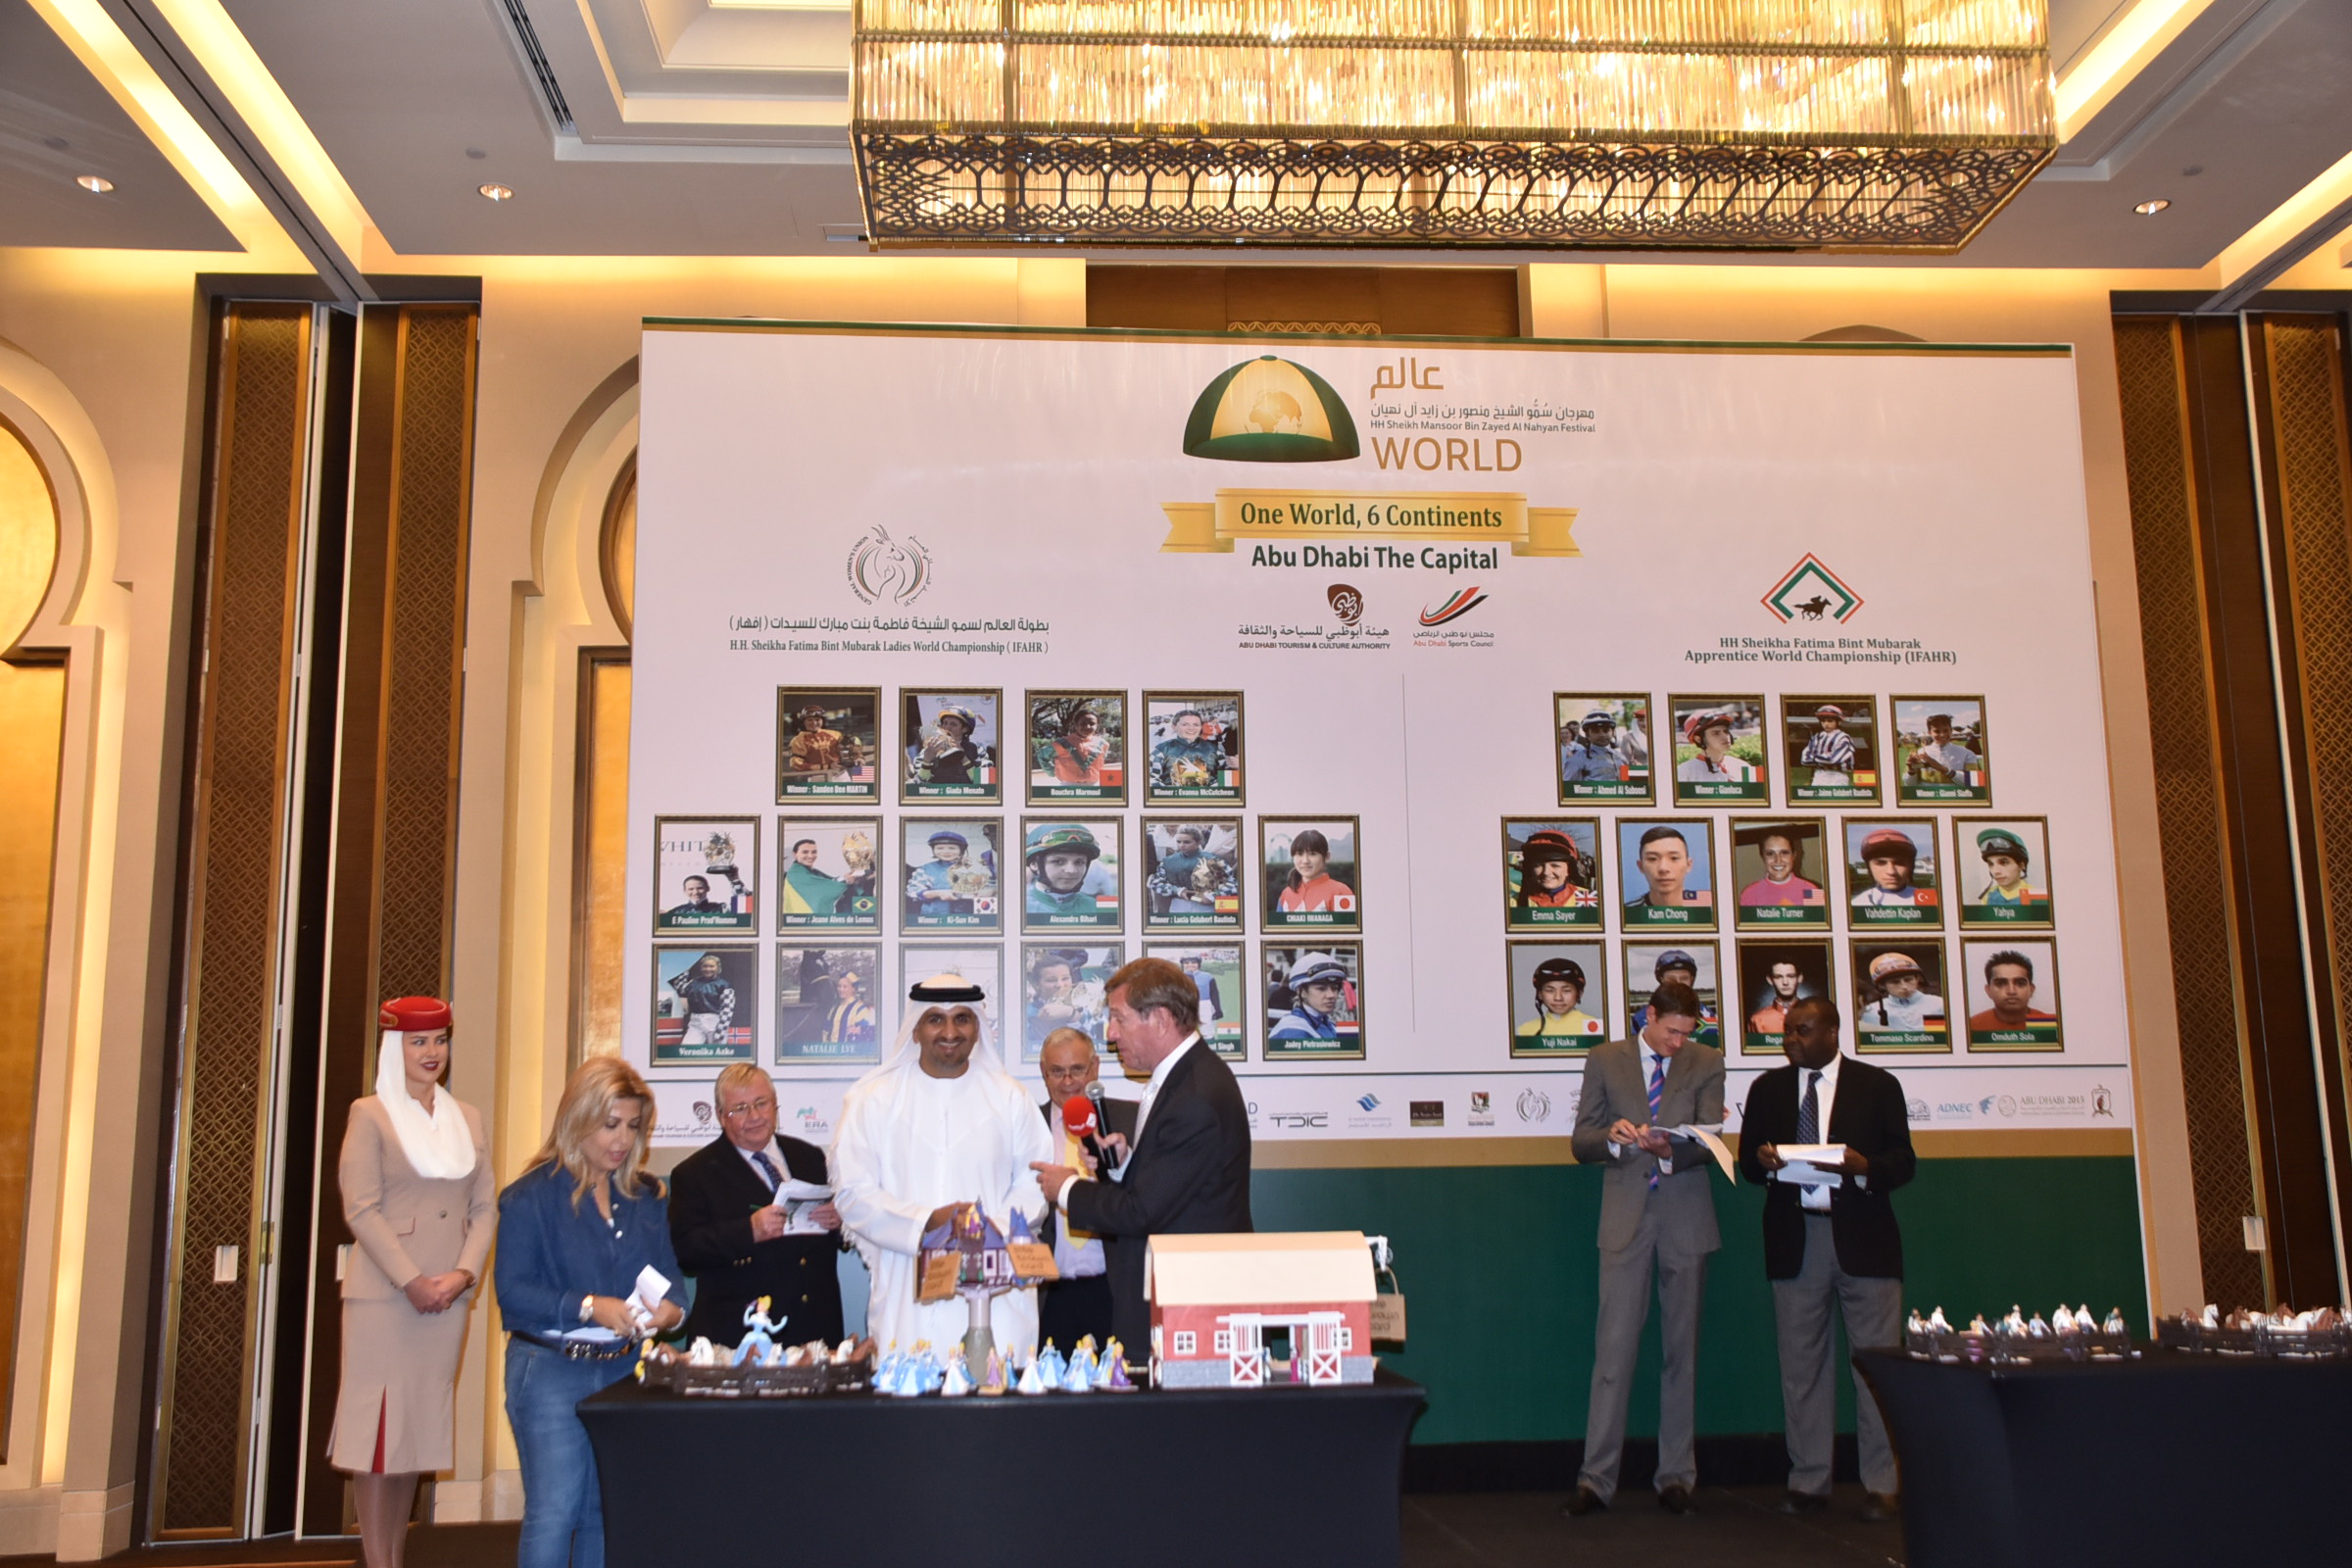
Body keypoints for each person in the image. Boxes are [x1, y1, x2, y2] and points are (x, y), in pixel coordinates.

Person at [496, 1056, 686, 1568]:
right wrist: (588, 1307)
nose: (622, 1139)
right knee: (554, 1513)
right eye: (610, 1125)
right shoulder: (529, 1197)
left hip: (624, 1370)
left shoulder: (646, 1196)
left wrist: (670, 1313)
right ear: (577, 1119)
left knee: (604, 1512)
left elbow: (671, 1280)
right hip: (550, 1370)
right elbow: (512, 1294)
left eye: (632, 1126)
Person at [331, 998, 496, 1568]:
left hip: (447, 1297)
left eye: (440, 1040)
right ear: (392, 1047)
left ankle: (394, 1558)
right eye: (418, 1042)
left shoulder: (466, 1117)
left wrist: (463, 1273)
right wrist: (412, 1280)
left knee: (413, 1441)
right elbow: (361, 1209)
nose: (432, 1052)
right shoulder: (370, 1114)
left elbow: (485, 1208)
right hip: (387, 1299)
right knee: (381, 1441)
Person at [1737, 997, 1915, 1521]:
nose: (1790, 1039)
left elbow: (1903, 1162)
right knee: (1801, 1369)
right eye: (1787, 1031)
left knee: (1877, 1368)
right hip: (1796, 1241)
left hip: (1866, 1241)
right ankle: (1808, 1481)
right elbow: (1748, 1163)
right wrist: (1764, 1161)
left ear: (1833, 1032)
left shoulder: (1877, 1085)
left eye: (1802, 1030)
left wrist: (1863, 1167)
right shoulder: (1767, 1089)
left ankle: (1882, 1485)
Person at [1030, 956, 1254, 1356]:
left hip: (1194, 1305)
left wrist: (1066, 1188)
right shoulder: (1185, 1080)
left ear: (1161, 1019)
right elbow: (1170, 1188)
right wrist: (1125, 1165)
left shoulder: (1194, 1095)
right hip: (1179, 1296)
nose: (1111, 1033)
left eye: (1119, 1018)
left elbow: (1141, 1212)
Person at [1564, 983, 1725, 1517]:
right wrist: (1612, 1138)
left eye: (1688, 1033)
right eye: (1672, 1031)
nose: (1680, 1042)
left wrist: (1670, 1147)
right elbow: (1581, 1141)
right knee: (1612, 1352)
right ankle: (1596, 1479)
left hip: (1686, 1218)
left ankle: (1677, 1476)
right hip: (1624, 1220)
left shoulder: (1707, 1061)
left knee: (1682, 1354)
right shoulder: (1605, 1059)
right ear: (1649, 1016)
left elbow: (1711, 1143)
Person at [830, 973, 1054, 1354]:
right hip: (907, 1288)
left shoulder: (1011, 1098)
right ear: (915, 1029)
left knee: (995, 1384)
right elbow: (854, 1193)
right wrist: (927, 1221)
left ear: (977, 1028)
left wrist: (984, 1232)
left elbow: (1034, 1181)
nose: (950, 1032)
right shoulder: (873, 1100)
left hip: (997, 1290)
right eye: (935, 1019)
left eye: (962, 1019)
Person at [667, 1063, 846, 1349]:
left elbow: (837, 1238)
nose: (754, 1116)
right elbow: (685, 1252)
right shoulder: (694, 1174)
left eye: (761, 1103)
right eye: (740, 1108)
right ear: (721, 1116)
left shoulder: (810, 1157)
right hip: (738, 1341)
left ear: (775, 1105)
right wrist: (748, 1231)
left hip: (815, 1333)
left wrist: (839, 1222)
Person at [1033, 1028, 1138, 1349]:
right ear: (1044, 1073)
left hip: (1115, 1290)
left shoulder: (1131, 1120)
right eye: (1057, 1071)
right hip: (1049, 1294)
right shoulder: (1027, 1124)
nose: (1068, 1082)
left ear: (1095, 1068)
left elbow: (1146, 1198)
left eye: (1077, 1069)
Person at [1025, 822, 1116, 917]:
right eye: (1059, 861)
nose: (1071, 870)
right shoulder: (1017, 907)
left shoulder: (1102, 910)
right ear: (1035, 865)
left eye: (1079, 862)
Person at [1148, 824, 1235, 916]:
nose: (1182, 845)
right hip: (1179, 904)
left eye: (1187, 842)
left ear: (1198, 842)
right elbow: (1156, 882)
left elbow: (1231, 884)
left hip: (1206, 906)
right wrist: (1177, 890)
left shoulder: (1212, 859)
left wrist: (1212, 896)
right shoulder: (1168, 861)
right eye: (1178, 842)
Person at [1023, 951, 1102, 1053]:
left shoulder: (1085, 1009)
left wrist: (1071, 1014)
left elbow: (1095, 1046)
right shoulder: (1026, 1013)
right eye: (1051, 980)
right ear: (1037, 984)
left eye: (1065, 978)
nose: (1060, 985)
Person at [781, 834, 873, 919]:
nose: (810, 856)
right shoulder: (796, 874)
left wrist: (848, 878)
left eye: (814, 852)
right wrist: (846, 881)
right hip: (802, 922)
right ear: (795, 854)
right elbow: (825, 890)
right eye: (805, 852)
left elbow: (829, 882)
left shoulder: (810, 871)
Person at [905, 828, 987, 918]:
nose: (946, 851)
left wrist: (982, 892)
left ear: (961, 850)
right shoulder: (925, 869)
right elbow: (913, 891)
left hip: (967, 917)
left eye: (952, 848)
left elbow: (988, 887)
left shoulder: (974, 868)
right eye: (940, 848)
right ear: (933, 850)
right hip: (933, 917)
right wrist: (939, 893)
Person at [1516, 956, 1601, 1042]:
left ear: (1579, 993)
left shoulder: (1596, 1028)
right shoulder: (1525, 1031)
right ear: (1540, 994)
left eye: (1566, 990)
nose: (1558, 998)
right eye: (1550, 990)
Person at [1269, 952, 1349, 1042]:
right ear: (1302, 992)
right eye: (1321, 988)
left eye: (1334, 988)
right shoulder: (1294, 1030)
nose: (1331, 995)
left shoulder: (1326, 1023)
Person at [1858, 952, 1945, 1036]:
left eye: (1908, 980)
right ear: (1882, 986)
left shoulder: (1939, 1004)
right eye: (1895, 982)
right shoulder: (1870, 1012)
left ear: (1917, 979)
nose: (1904, 986)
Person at [1969, 950, 2058, 1031]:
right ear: (1988, 990)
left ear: (2031, 990)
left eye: (2020, 983)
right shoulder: (1972, 1027)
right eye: (2000, 983)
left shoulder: (2051, 1026)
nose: (2011, 991)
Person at [1626, 825, 1710, 911]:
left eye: (1674, 858)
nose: (1663, 868)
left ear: (1688, 865)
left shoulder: (1710, 909)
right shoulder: (1627, 913)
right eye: (1652, 859)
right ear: (1640, 866)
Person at [1275, 828, 1354, 913]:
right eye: (1300, 854)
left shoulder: (1341, 892)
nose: (1305, 861)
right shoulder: (1286, 894)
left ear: (1327, 857)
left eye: (1312, 854)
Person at [1740, 829, 1823, 907]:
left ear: (1794, 855)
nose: (1778, 860)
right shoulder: (1749, 894)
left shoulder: (1811, 890)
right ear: (1762, 857)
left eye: (1784, 853)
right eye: (1770, 853)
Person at [1516, 829, 1597, 909]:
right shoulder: (1515, 902)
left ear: (1569, 869)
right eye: (1538, 865)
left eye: (1555, 865)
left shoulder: (1589, 900)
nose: (1546, 872)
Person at [667, 953, 736, 1045]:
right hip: (695, 1022)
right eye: (705, 966)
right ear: (701, 968)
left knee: (717, 1052)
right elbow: (680, 988)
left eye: (711, 966)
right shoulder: (694, 982)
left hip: (714, 1023)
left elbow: (728, 1009)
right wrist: (685, 969)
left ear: (718, 968)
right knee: (688, 1049)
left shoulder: (724, 985)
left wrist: (721, 1030)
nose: (708, 969)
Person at [912, 703, 989, 786]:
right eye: (945, 723)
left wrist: (964, 758)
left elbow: (987, 783)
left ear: (965, 729)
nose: (947, 728)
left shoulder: (978, 750)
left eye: (953, 724)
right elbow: (918, 786)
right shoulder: (928, 751)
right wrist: (927, 761)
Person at [1151, 708, 1226, 792]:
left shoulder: (1215, 750)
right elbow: (1150, 780)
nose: (1191, 728)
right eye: (1185, 724)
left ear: (1201, 727)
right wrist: (1175, 792)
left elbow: (1226, 780)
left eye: (1196, 725)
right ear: (1174, 727)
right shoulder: (1160, 751)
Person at [1677, 710, 1756, 787]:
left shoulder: (1741, 766)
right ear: (1699, 739)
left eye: (1726, 731)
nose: (1725, 736)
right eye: (1716, 733)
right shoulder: (1684, 771)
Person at [1973, 829, 2046, 908]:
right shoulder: (1988, 896)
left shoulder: (2037, 897)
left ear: (2021, 865)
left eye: (2004, 863)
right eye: (1991, 864)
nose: (1995, 871)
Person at [1850, 828, 1922, 907]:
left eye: (1899, 863)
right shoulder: (1858, 904)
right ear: (1869, 867)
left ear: (1911, 867)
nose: (1891, 872)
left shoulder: (1928, 900)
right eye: (1881, 863)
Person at [1906, 711, 1983, 784]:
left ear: (1951, 731)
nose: (1942, 735)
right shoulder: (1919, 753)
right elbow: (1910, 785)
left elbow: (1974, 782)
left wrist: (1943, 769)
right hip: (1926, 793)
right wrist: (1911, 771)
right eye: (1937, 731)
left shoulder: (1967, 753)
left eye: (1946, 731)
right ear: (1929, 733)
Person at [1560, 709, 1627, 784]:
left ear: (1613, 732)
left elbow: (1625, 783)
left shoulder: (1621, 757)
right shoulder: (1577, 759)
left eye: (1606, 730)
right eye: (1596, 731)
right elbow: (1568, 787)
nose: (1602, 735)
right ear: (1587, 734)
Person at [1048, 705, 1110, 785]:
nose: (1087, 726)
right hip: (1069, 787)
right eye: (1083, 723)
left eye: (1092, 724)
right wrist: (1052, 772)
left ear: (1097, 726)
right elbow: (1042, 756)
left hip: (1094, 786)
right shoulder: (1062, 743)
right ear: (1076, 724)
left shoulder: (1103, 744)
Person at [1798, 704, 1857, 784]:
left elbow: (1833, 759)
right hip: (1819, 774)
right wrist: (1823, 757)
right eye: (1823, 721)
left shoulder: (1843, 738)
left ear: (1839, 722)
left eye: (1830, 721)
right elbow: (1804, 759)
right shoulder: (1817, 737)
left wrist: (1813, 757)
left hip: (1838, 775)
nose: (1826, 724)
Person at [785, 703, 846, 777]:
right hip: (816, 777)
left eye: (817, 720)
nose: (814, 723)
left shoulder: (836, 734)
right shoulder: (798, 740)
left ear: (823, 721)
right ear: (803, 722)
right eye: (809, 720)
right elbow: (795, 764)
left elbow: (848, 752)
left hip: (841, 774)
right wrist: (826, 767)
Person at [1749, 959, 1807, 1033]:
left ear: (1799, 978)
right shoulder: (1758, 1020)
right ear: (1770, 980)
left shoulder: (1813, 1016)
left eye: (1791, 976)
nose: (1785, 982)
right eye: (1778, 977)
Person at [823, 969, 876, 1045]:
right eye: (839, 986)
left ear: (853, 988)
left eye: (845, 987)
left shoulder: (860, 1009)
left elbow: (866, 1035)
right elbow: (826, 1031)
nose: (841, 989)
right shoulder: (834, 1008)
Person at [663, 872, 743, 921]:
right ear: (685, 891)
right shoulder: (676, 912)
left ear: (708, 888)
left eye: (700, 888)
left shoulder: (722, 909)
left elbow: (742, 904)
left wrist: (735, 881)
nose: (695, 892)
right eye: (691, 889)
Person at [1179, 953, 1224, 1022]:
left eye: (1194, 962)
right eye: (1186, 963)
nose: (1190, 965)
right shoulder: (1178, 977)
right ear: (1182, 964)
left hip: (1204, 1005)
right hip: (1185, 1005)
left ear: (1199, 964)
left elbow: (1214, 993)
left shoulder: (1208, 977)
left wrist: (1218, 1009)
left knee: (1206, 1026)